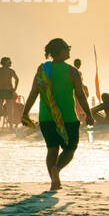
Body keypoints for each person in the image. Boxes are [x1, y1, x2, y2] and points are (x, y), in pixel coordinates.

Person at [19, 38, 94, 192]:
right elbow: (80, 95)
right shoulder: (72, 71)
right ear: (60, 51)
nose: (69, 51)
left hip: (46, 118)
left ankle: (54, 181)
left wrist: (25, 113)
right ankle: (57, 170)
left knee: (52, 149)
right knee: (70, 149)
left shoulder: (43, 69)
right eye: (67, 48)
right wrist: (89, 114)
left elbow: (33, 93)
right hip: (67, 117)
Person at [0, 57, 19, 128]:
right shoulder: (10, 71)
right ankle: (7, 128)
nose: (10, 63)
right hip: (6, 91)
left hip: (1, 91)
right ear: (5, 62)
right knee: (9, 110)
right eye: (9, 62)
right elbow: (17, 79)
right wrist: (15, 88)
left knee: (0, 110)